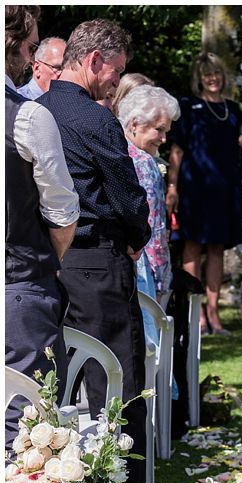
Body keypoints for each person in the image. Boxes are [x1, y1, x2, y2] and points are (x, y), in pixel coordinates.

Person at [40, 17, 169, 483]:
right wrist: (137, 229)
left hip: (48, 266)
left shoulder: (35, 111)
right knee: (117, 386)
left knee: (59, 386)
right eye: (114, 73)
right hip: (98, 263)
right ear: (94, 61)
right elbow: (129, 198)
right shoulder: (96, 120)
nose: (116, 84)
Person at [5, 4, 78, 450]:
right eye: (31, 47)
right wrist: (46, 263)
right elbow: (63, 214)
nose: (31, 58)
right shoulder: (29, 116)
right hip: (18, 288)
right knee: (26, 434)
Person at [166, 52, 242, 337]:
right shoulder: (188, 106)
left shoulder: (233, 109)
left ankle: (214, 314)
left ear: (222, 76)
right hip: (194, 187)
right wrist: (172, 186)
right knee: (192, 247)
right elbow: (176, 150)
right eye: (207, 74)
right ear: (199, 78)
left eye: (216, 73)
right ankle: (197, 313)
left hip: (224, 187)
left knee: (217, 249)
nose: (212, 78)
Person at [118, 85, 178, 346]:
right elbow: (151, 229)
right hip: (145, 271)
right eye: (159, 129)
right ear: (134, 124)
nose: (164, 139)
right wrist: (163, 278)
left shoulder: (117, 152)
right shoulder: (144, 163)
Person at [16, 31, 62, 98]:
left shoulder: (68, 101)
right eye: (58, 68)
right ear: (37, 68)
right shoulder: (17, 102)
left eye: (67, 70)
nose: (64, 75)